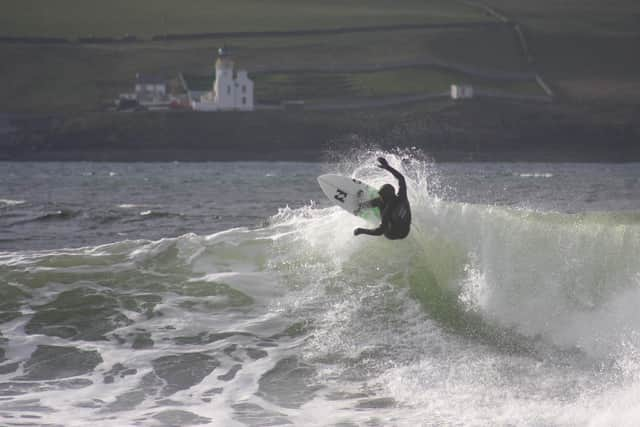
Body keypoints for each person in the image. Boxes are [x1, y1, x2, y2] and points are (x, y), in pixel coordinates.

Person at [354, 157, 411, 240]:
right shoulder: (402, 197)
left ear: (385, 198)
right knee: (380, 202)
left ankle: (361, 206)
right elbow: (401, 179)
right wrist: (387, 167)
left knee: (378, 202)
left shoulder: (387, 211)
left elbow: (379, 232)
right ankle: (365, 206)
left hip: (391, 234)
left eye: (381, 196)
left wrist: (361, 230)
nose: (380, 197)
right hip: (405, 232)